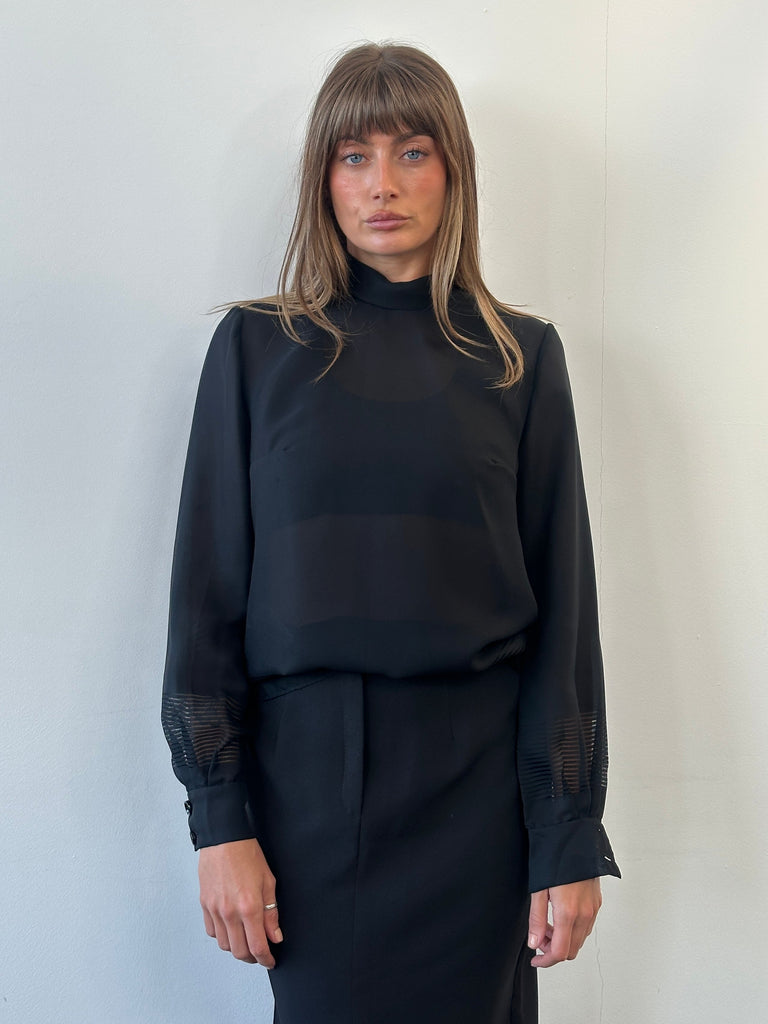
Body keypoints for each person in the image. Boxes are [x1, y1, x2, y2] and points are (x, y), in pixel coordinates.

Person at [161, 41, 621, 1024]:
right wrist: (218, 820)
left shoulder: (520, 358)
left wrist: (567, 834)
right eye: (353, 156)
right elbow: (205, 604)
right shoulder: (255, 352)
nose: (383, 185)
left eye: (413, 152)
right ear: (322, 177)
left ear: (453, 170)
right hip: (306, 800)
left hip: (479, 805)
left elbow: (564, 615)